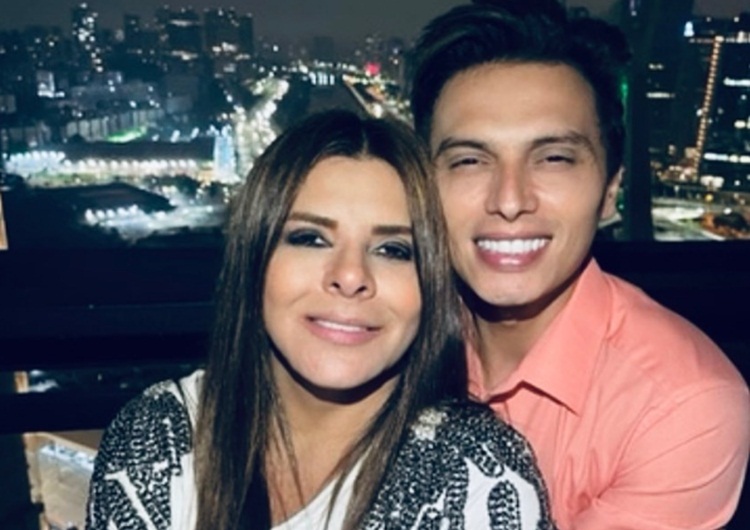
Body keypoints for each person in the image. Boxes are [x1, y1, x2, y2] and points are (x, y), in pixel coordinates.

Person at [85, 110, 555, 530]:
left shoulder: (476, 477)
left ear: (430, 285)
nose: (350, 277)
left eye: (392, 250)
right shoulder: (159, 435)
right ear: (255, 258)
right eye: (310, 239)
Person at [410, 1, 750, 528]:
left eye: (553, 159)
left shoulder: (682, 404)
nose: (509, 200)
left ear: (611, 191)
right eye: (470, 161)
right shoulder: (383, 331)